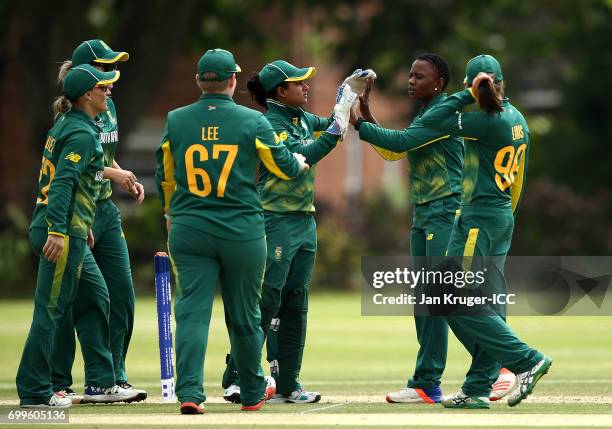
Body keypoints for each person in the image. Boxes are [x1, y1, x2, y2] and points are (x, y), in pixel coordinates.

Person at [154, 48, 313, 414]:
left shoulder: (176, 120)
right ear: (232, 80)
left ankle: (191, 393)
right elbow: (285, 166)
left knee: (192, 311)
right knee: (243, 314)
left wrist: (169, 214)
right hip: (241, 230)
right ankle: (253, 389)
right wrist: (301, 161)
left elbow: (165, 172)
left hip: (189, 227)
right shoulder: (253, 121)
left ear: (198, 81)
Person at [418, 54, 551, 408]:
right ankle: (478, 387)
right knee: (485, 302)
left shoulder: (480, 119)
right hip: (501, 215)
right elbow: (519, 179)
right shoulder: (517, 117)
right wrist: (507, 214)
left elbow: (432, 118)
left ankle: (525, 360)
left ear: (470, 84)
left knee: (446, 296)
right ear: (501, 82)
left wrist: (464, 97)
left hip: (478, 218)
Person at [222, 60, 358, 405]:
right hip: (275, 219)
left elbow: (330, 127)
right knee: (268, 299)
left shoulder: (300, 118)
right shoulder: (270, 124)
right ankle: (237, 375)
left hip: (303, 221)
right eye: (299, 83)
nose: (306, 87)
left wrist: (347, 98)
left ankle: (288, 382)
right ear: (281, 91)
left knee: (296, 301)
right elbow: (304, 158)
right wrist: (340, 113)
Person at [17, 64, 138, 407]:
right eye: (103, 87)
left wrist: (80, 226)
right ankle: (35, 391)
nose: (109, 91)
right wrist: (59, 231)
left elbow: (84, 170)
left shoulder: (76, 125)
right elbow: (63, 183)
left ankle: (101, 383)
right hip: (59, 231)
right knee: (50, 312)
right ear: (87, 94)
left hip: (71, 230)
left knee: (97, 296)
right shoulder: (81, 132)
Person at [351, 53, 463, 404]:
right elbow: (395, 152)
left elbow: (399, 144)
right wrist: (367, 114)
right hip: (425, 213)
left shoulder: (442, 113)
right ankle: (426, 385)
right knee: (425, 301)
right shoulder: (426, 114)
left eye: (419, 76)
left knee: (440, 299)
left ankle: (500, 366)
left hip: (446, 211)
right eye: (410, 75)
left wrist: (355, 122)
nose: (411, 81)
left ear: (439, 83)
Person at [50, 39, 147, 404]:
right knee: (75, 298)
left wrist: (123, 174)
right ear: (85, 76)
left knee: (121, 295)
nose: (112, 76)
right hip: (81, 211)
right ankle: (59, 380)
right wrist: (79, 216)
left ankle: (114, 377)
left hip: (106, 210)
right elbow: (71, 171)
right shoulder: (69, 114)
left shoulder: (109, 104)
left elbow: (102, 155)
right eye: (105, 69)